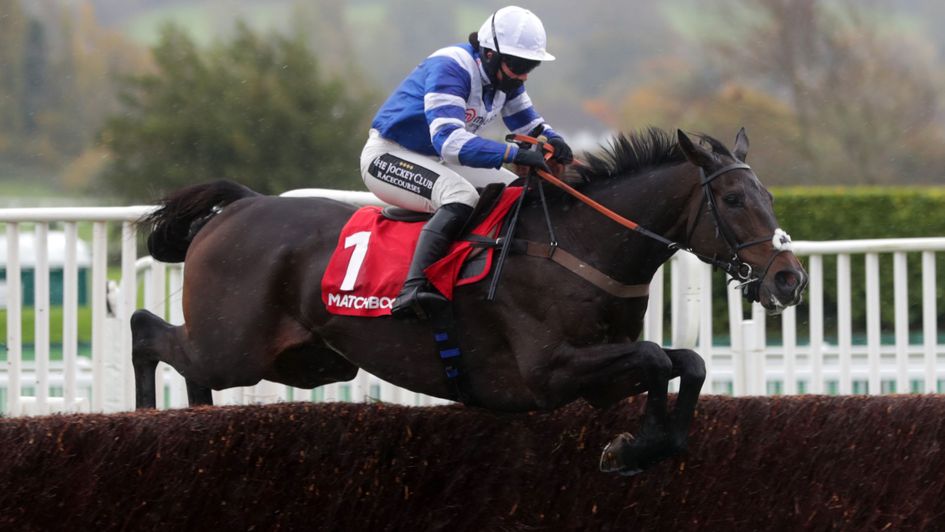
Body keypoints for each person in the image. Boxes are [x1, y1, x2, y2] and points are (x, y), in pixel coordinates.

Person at [360, 5, 574, 320]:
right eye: (518, 64)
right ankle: (413, 289)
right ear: (490, 54)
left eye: (531, 65)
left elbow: (530, 126)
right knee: (460, 197)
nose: (524, 74)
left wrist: (555, 141)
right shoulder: (451, 67)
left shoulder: (505, 78)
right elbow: (449, 143)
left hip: (434, 159)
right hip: (389, 156)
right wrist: (514, 154)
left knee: (516, 190)